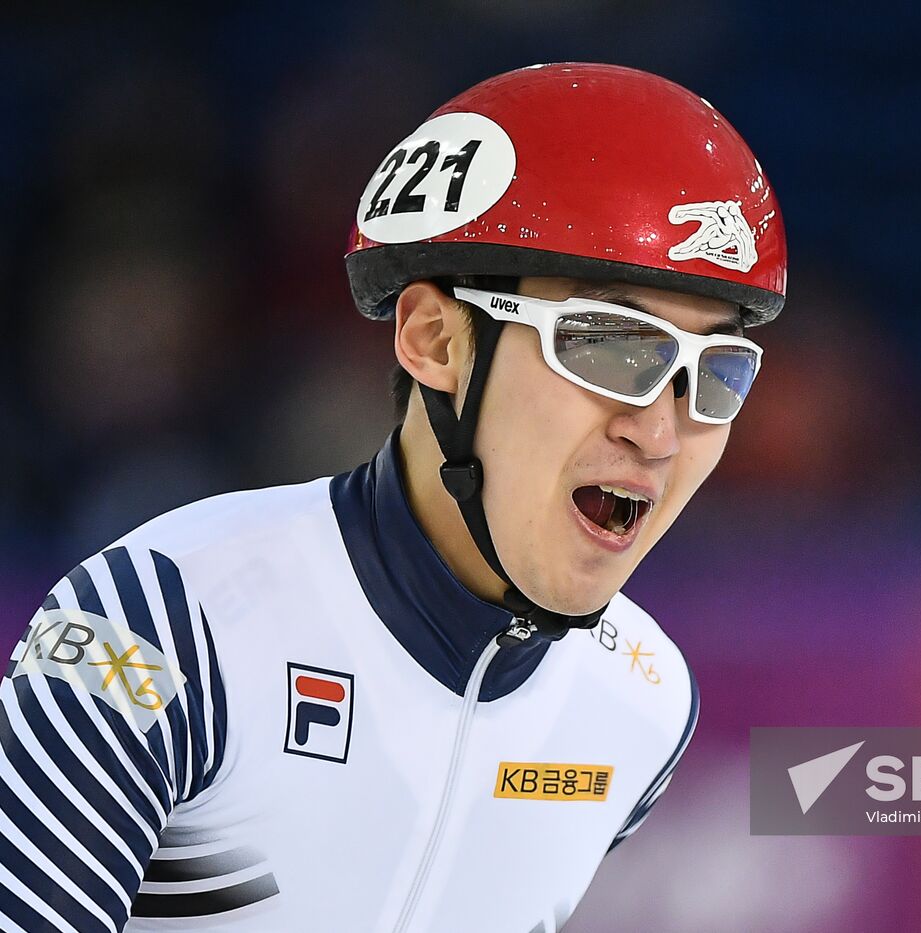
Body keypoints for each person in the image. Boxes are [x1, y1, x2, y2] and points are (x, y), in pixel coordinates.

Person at [0, 62, 786, 932]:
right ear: (434, 340)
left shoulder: (646, 705)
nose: (661, 432)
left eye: (714, 373)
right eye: (605, 343)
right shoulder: (165, 622)